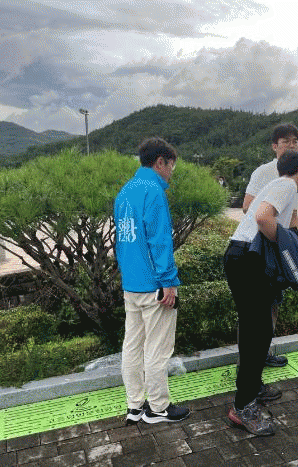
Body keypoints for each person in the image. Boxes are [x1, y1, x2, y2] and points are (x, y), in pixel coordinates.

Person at [225, 150, 298, 436]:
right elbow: (263, 218)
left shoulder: (274, 184)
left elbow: (268, 239)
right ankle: (243, 407)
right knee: (258, 335)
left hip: (241, 257)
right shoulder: (288, 185)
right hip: (248, 263)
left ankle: (250, 391)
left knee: (255, 332)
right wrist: (289, 246)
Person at [114, 137, 190, 425]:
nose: (171, 172)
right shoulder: (154, 191)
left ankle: (134, 406)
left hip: (131, 284)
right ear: (160, 162)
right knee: (157, 349)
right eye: (171, 166)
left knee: (132, 346)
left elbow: (122, 242)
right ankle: (158, 408)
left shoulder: (125, 191)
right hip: (155, 285)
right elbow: (160, 242)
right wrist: (168, 281)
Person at [242, 122, 298, 368]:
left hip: (279, 245)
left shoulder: (296, 175)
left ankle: (263, 352)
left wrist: (296, 244)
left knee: (274, 301)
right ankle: (250, 360)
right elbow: (247, 206)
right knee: (256, 307)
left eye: (295, 141)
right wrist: (274, 225)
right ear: (274, 146)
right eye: (286, 142)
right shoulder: (264, 172)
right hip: (260, 246)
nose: (291, 146)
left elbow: (294, 215)